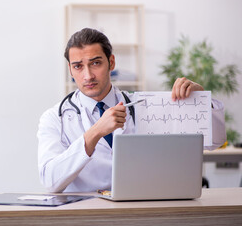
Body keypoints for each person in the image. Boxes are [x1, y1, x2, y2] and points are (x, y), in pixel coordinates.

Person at [37, 28, 226, 193]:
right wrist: (95, 133)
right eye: (78, 66)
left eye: (95, 63)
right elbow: (51, 181)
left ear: (111, 62)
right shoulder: (55, 118)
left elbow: (215, 142)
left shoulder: (145, 105)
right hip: (86, 215)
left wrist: (201, 102)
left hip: (140, 209)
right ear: (70, 70)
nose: (87, 75)